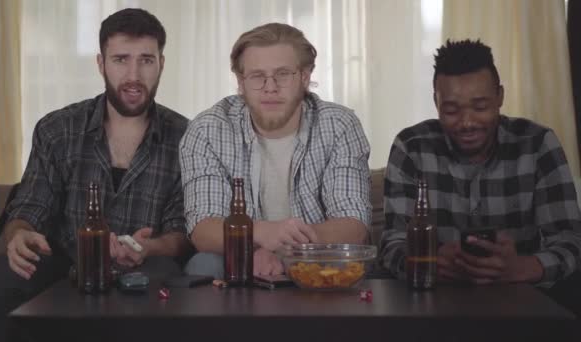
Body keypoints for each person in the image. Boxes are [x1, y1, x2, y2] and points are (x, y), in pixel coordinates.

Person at [0, 8, 191, 342]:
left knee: (161, 277)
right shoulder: (57, 128)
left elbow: (182, 231)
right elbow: (31, 206)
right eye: (121, 59)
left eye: (146, 60)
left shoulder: (186, 136)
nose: (133, 74)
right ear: (101, 63)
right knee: (4, 275)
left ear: (161, 64)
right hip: (67, 259)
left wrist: (149, 247)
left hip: (146, 265)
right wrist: (19, 233)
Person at [380, 39, 581, 314]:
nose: (467, 122)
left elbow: (570, 240)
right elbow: (392, 243)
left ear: (500, 97)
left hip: (524, 301)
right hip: (434, 303)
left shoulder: (537, 144)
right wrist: (430, 261)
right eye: (451, 110)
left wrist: (521, 267)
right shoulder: (412, 146)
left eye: (480, 107)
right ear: (435, 102)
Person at [180, 23, 371, 278]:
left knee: (348, 263)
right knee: (204, 264)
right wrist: (260, 237)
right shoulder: (207, 129)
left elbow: (353, 225)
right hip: (241, 258)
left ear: (304, 77)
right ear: (241, 82)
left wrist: (288, 253)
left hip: (316, 258)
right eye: (257, 76)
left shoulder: (339, 125)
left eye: (282, 74)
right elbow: (203, 229)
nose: (270, 87)